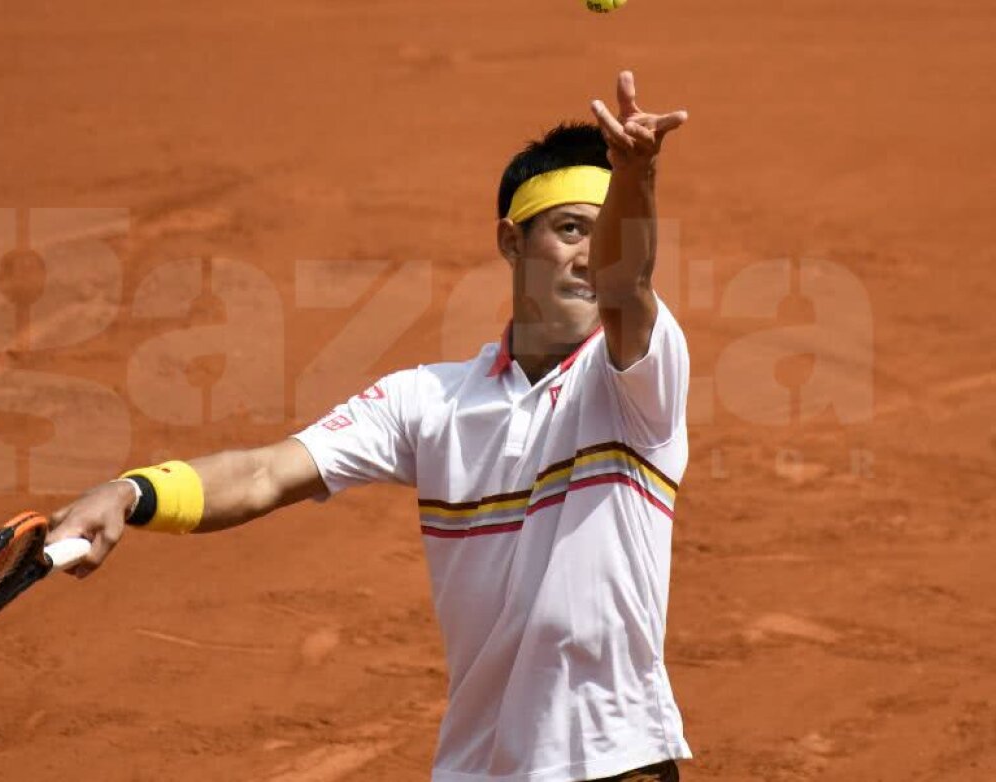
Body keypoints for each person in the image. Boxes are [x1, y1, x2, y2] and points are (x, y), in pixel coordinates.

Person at [47, 71, 692, 782]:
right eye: (571, 230)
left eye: (605, 239)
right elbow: (267, 473)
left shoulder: (633, 382)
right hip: (480, 768)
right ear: (512, 242)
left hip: (614, 762)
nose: (588, 260)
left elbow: (627, 284)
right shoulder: (426, 400)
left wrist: (638, 175)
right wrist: (131, 493)